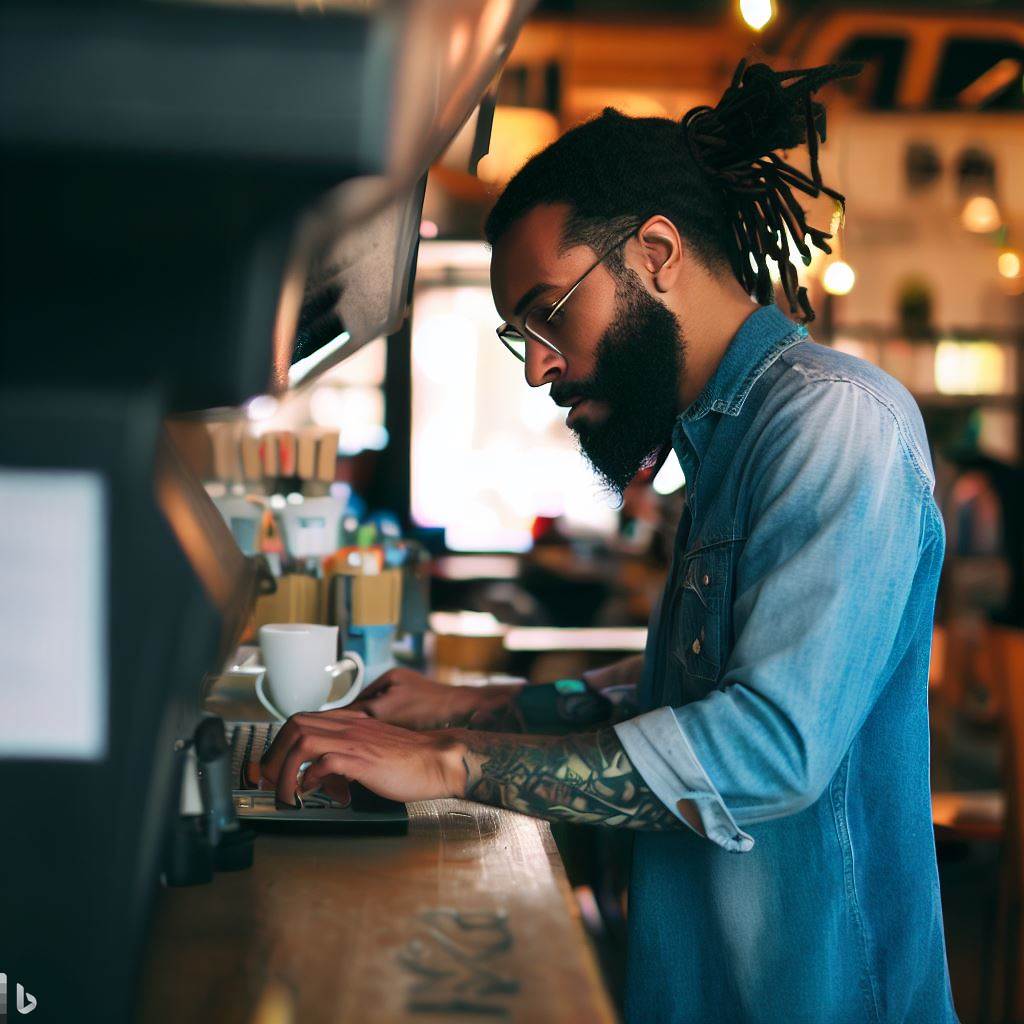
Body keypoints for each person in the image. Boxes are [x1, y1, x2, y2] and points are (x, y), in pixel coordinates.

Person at [261, 60, 957, 1023]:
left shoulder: (835, 422)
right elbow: (686, 686)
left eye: (548, 312)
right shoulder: (730, 437)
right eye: (521, 335)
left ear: (657, 252)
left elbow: (768, 746)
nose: (539, 365)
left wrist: (454, 760)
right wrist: (482, 703)